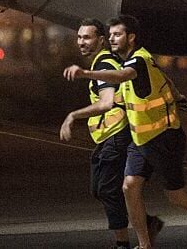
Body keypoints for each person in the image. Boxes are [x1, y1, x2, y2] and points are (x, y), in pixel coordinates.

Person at [64, 14, 187, 249]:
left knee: (177, 197)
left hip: (164, 139)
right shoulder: (127, 61)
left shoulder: (138, 61)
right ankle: (145, 245)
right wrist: (177, 96)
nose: (112, 39)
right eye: (111, 34)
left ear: (131, 37)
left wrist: (85, 75)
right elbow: (161, 79)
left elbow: (124, 76)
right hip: (141, 139)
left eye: (118, 34)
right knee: (129, 186)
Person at [59, 19, 163, 249]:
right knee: (103, 189)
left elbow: (106, 103)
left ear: (101, 40)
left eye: (87, 37)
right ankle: (147, 223)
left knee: (106, 189)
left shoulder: (104, 64)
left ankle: (122, 243)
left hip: (116, 134)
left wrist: (73, 116)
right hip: (110, 135)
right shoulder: (106, 61)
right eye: (79, 37)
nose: (81, 42)